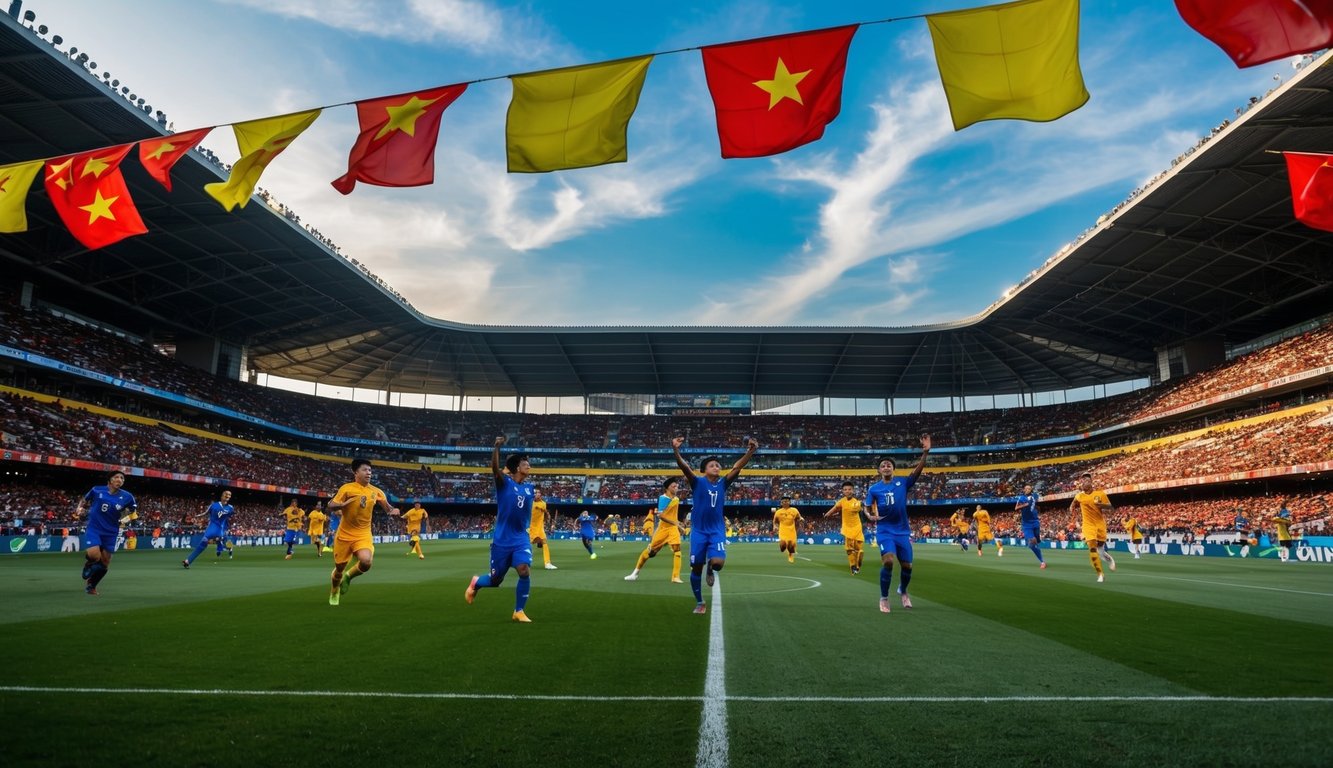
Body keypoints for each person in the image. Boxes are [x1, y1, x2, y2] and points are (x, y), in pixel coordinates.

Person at [673, 435, 759, 614]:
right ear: (704, 470)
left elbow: (737, 466)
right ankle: (699, 602)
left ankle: (711, 568)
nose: (716, 467)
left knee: (718, 562)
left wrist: (750, 451)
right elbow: (684, 467)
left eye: (718, 465)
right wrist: (676, 450)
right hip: (698, 531)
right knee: (696, 567)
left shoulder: (723, 483)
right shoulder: (697, 482)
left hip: (716, 531)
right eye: (712, 465)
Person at [465, 437, 537, 622]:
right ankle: (476, 583)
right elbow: (495, 469)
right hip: (502, 541)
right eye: (524, 463)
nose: (528, 465)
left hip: (521, 538)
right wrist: (496, 447)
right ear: (516, 468)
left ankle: (518, 611)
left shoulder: (530, 488)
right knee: (495, 581)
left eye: (528, 463)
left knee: (524, 569)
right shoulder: (504, 483)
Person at [865, 435, 931, 613]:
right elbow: (866, 508)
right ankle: (884, 598)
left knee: (907, 567)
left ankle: (903, 590)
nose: (886, 466)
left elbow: (917, 473)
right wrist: (869, 516)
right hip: (885, 531)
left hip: (902, 531)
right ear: (879, 470)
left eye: (889, 465)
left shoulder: (902, 482)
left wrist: (925, 453)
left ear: (893, 469)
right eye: (883, 465)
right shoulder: (874, 489)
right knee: (888, 562)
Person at [326, 459, 399, 606]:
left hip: (363, 534)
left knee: (366, 561)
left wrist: (393, 510)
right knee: (338, 569)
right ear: (356, 472)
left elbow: (387, 507)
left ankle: (349, 576)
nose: (369, 473)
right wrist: (341, 504)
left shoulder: (376, 491)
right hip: (344, 535)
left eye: (370, 470)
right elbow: (330, 505)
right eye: (365, 470)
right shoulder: (347, 488)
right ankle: (334, 590)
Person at [74, 470, 137, 595]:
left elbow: (133, 513)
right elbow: (84, 500)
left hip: (112, 531)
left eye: (122, 478)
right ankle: (89, 564)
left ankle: (92, 586)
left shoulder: (127, 497)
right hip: (95, 528)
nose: (120, 480)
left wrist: (124, 520)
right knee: (94, 555)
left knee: (105, 563)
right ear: (110, 480)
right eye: (117, 477)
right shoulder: (97, 490)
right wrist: (79, 509)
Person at [625, 477, 685, 583]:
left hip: (672, 529)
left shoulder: (676, 499)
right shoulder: (663, 498)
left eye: (677, 486)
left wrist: (678, 523)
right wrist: (677, 524)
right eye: (674, 486)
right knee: (650, 552)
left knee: (677, 550)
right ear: (667, 488)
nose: (676, 488)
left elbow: (672, 515)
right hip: (663, 529)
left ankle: (675, 577)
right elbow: (661, 516)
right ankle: (635, 573)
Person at [1069, 473, 1117, 582]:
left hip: (1100, 525)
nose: (1085, 481)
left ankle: (1109, 559)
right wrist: (1071, 508)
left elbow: (1111, 508)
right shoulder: (1079, 495)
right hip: (1088, 525)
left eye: (1087, 479)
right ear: (1081, 484)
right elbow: (1073, 503)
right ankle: (1100, 574)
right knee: (1092, 547)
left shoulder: (1100, 494)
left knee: (1100, 549)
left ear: (1091, 482)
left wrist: (1101, 505)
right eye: (1083, 480)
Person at [182, 490, 235, 568]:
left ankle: (229, 547)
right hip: (211, 529)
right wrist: (196, 516)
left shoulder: (230, 508)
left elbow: (230, 518)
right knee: (202, 544)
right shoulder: (214, 505)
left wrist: (227, 526)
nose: (227, 496)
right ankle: (188, 561)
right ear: (221, 496)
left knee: (221, 541)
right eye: (225, 494)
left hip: (220, 530)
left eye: (229, 495)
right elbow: (205, 513)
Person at [824, 481, 864, 574]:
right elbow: (836, 507)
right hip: (847, 528)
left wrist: (861, 508)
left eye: (849, 489)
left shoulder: (856, 502)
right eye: (845, 489)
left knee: (858, 548)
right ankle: (853, 566)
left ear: (853, 491)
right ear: (843, 491)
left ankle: (858, 563)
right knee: (849, 549)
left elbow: (859, 508)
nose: (847, 491)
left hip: (857, 527)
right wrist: (828, 514)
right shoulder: (842, 501)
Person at [1013, 484, 1045, 569]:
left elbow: (1036, 501)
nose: (1027, 490)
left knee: (1036, 541)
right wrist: (1025, 505)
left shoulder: (1034, 495)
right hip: (1026, 523)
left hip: (1035, 521)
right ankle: (1042, 561)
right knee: (1033, 540)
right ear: (1024, 489)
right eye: (1026, 488)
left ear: (1031, 490)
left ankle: (1034, 544)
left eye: (1029, 488)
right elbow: (1016, 508)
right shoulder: (1021, 498)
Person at [529, 488, 557, 570]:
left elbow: (543, 510)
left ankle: (547, 563)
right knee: (527, 544)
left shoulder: (543, 503)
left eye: (538, 493)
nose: (537, 494)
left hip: (539, 527)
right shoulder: (529, 502)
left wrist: (547, 515)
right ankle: (526, 561)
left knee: (544, 542)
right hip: (529, 527)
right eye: (536, 493)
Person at [772, 496, 803, 564]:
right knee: (783, 545)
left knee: (791, 545)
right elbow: (774, 521)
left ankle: (791, 556)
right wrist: (774, 526)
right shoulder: (778, 512)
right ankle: (783, 547)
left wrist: (801, 519)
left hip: (792, 529)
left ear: (789, 502)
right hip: (783, 530)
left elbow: (799, 517)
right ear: (781, 503)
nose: (785, 502)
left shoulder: (794, 510)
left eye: (787, 501)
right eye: (784, 501)